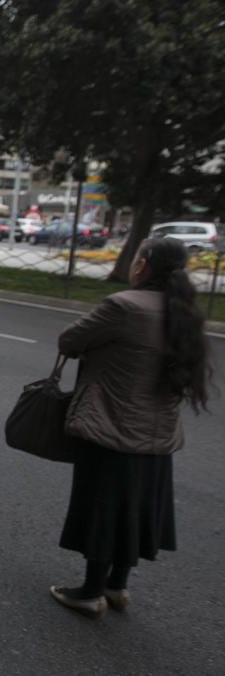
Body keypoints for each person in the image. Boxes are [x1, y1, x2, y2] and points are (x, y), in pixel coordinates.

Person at [50, 237, 212, 618]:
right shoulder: (184, 312)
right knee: (136, 508)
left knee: (103, 508)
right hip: (158, 434)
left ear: (142, 264)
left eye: (137, 254)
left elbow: (69, 340)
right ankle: (117, 586)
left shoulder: (122, 306)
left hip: (111, 424)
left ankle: (89, 592)